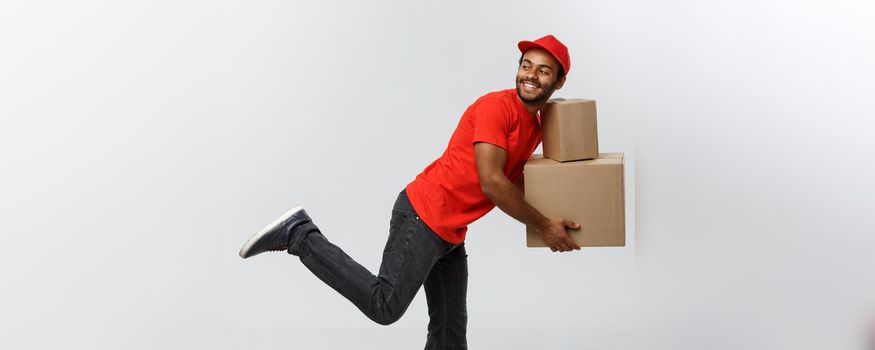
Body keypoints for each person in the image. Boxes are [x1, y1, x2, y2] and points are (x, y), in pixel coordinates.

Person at [238, 34, 581, 350]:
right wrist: (543, 225)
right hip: (423, 215)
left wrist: (555, 216)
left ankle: (299, 233)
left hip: (451, 233)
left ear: (559, 81)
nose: (531, 75)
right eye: (525, 66)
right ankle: (299, 234)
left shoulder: (534, 125)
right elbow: (492, 181)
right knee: (384, 304)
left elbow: (515, 178)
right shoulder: (497, 108)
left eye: (544, 71)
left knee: (449, 333)